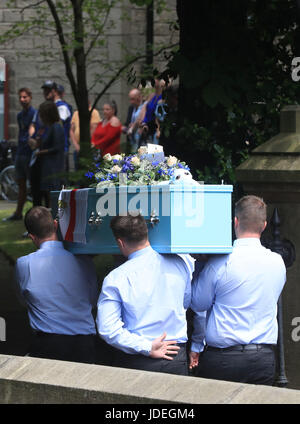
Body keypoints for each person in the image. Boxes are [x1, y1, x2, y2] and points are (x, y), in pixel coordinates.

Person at [190, 195, 286, 385]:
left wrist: (200, 267)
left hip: (224, 359)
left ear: (235, 222)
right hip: (263, 358)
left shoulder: (221, 263)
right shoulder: (277, 262)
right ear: (264, 225)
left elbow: (197, 302)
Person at [96, 214, 205, 375]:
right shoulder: (180, 263)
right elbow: (186, 303)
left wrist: (146, 347)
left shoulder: (116, 277)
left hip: (137, 360)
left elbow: (107, 329)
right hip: (175, 355)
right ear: (146, 233)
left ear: (120, 242)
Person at [15, 206, 99, 363]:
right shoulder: (83, 261)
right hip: (84, 344)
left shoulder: (24, 264)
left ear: (32, 237)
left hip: (48, 344)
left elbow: (23, 300)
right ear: (55, 224)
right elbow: (93, 300)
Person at [4, 88, 36, 221]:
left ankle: (36, 214)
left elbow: (32, 133)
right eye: (20, 97)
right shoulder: (19, 115)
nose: (22, 100)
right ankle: (18, 213)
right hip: (20, 152)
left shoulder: (34, 113)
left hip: (30, 153)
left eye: (25, 97)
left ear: (30, 97)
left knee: (33, 185)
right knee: (20, 183)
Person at [34, 101, 65, 208]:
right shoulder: (49, 127)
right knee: (48, 196)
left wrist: (40, 152)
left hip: (53, 166)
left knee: (53, 195)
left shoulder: (56, 127)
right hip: (48, 166)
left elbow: (57, 148)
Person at [41, 80, 72, 171]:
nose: (46, 93)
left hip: (59, 149)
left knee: (59, 180)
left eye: (48, 90)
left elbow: (57, 126)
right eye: (44, 90)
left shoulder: (62, 107)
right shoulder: (47, 106)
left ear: (54, 91)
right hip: (48, 149)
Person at [70, 101, 101, 169]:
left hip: (90, 147)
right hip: (78, 147)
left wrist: (84, 145)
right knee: (77, 169)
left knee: (89, 170)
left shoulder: (94, 112)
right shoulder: (76, 113)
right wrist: (76, 145)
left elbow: (94, 129)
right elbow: (71, 130)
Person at [137, 79, 165, 145]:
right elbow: (147, 113)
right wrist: (144, 123)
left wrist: (158, 130)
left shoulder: (162, 99)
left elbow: (157, 117)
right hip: (147, 129)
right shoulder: (152, 97)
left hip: (156, 129)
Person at [123, 88, 146, 153]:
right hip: (132, 140)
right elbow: (127, 123)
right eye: (130, 99)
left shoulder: (145, 106)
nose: (131, 102)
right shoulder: (131, 108)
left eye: (133, 99)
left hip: (142, 139)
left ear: (139, 97)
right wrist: (128, 126)